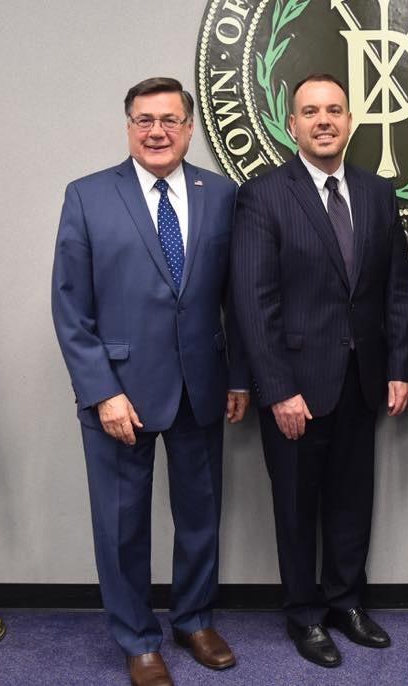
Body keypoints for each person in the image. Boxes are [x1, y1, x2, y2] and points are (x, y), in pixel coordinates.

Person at [51, 77, 249, 686]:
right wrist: (103, 391)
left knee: (200, 514)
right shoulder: (87, 196)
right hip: (120, 393)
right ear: (128, 126)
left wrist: (238, 376)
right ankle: (138, 638)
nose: (156, 131)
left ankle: (194, 619)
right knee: (122, 522)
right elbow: (69, 306)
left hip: (201, 384)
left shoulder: (221, 195)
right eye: (144, 120)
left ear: (189, 128)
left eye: (169, 120)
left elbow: (234, 298)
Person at [230, 74, 408, 668]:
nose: (324, 120)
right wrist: (278, 389)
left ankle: (345, 601)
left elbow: (394, 288)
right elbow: (253, 301)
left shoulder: (378, 192)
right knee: (295, 505)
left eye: (335, 109)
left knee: (351, 500)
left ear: (351, 120)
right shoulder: (263, 195)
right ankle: (304, 614)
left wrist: (398, 365)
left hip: (362, 380)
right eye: (310, 111)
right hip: (296, 388)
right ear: (292, 125)